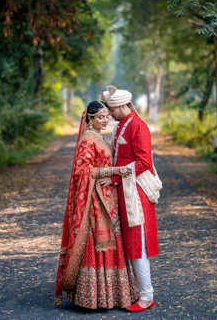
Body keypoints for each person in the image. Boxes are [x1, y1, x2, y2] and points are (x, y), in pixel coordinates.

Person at [55, 101, 136, 309]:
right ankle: (93, 296)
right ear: (90, 118)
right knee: (96, 243)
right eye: (100, 117)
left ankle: (113, 295)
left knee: (112, 242)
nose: (106, 120)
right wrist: (113, 171)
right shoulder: (87, 139)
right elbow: (82, 171)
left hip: (108, 199)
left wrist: (112, 173)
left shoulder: (99, 136)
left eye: (107, 116)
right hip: (95, 200)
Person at [99, 85, 160, 313]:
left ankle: (147, 297)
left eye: (112, 109)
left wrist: (115, 175)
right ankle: (142, 293)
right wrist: (114, 177)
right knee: (131, 246)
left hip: (137, 196)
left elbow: (144, 163)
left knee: (138, 245)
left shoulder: (139, 126)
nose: (110, 114)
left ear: (122, 105)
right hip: (126, 191)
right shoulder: (123, 125)